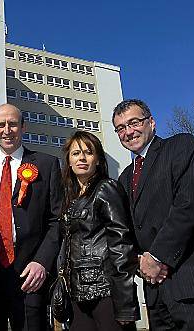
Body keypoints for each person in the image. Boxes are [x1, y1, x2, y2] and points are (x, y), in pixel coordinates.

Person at [112, 99, 194, 330]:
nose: (128, 132)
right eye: (120, 128)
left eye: (134, 122)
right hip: (156, 291)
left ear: (151, 122)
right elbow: (128, 229)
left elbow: (189, 205)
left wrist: (157, 257)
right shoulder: (125, 178)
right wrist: (139, 261)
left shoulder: (181, 146)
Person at [0, 104, 62, 330]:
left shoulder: (47, 165)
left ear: (23, 127)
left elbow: (57, 219)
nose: (7, 130)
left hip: (31, 274)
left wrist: (42, 262)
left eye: (13, 124)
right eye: (1, 125)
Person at [60, 131, 139, 331]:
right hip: (78, 292)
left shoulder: (107, 188)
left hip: (106, 291)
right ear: (69, 160)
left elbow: (121, 245)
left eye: (89, 152)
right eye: (76, 153)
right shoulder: (71, 199)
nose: (82, 158)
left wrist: (125, 303)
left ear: (98, 159)